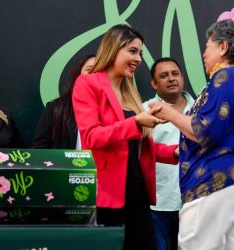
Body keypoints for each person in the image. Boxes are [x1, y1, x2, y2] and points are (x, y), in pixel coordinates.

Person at [149, 19, 234, 250]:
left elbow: (203, 131)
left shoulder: (225, 77)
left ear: (222, 47)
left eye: (207, 46)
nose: (204, 53)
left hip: (219, 181)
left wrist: (168, 112)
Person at [72, 24, 178, 250]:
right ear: (113, 48)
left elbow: (136, 148)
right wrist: (136, 122)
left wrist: (174, 152)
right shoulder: (88, 83)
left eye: (140, 52)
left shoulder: (130, 90)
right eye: (132, 51)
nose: (138, 59)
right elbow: (91, 137)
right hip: (107, 192)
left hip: (137, 187)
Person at [143, 57, 195, 250]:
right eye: (163, 76)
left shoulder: (202, 108)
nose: (171, 79)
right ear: (154, 84)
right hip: (158, 200)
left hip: (194, 198)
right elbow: (141, 152)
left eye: (175, 74)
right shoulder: (144, 110)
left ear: (182, 77)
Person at [32, 54, 95, 149]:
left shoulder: (114, 108)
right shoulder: (56, 108)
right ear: (77, 74)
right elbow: (40, 149)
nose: (95, 74)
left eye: (100, 70)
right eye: (89, 69)